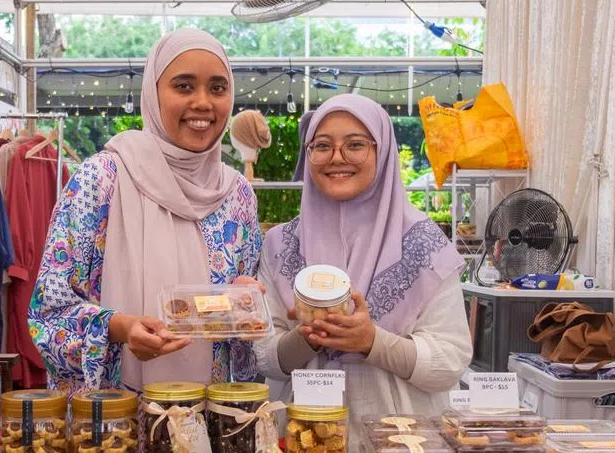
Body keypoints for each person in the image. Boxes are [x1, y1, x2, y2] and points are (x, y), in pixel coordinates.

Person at [30, 29, 262, 393]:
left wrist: (244, 301)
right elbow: (48, 315)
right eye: (184, 86)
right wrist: (120, 328)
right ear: (153, 93)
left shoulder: (237, 196)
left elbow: (244, 339)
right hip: (113, 419)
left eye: (218, 88)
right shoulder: (102, 179)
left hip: (205, 414)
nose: (203, 102)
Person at [254, 93, 471, 425]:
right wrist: (307, 338)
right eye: (322, 146)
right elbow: (264, 358)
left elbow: (450, 361)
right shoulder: (281, 245)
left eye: (355, 145)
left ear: (381, 151)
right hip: (302, 443)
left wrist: (372, 342)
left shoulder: (425, 244)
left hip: (400, 443)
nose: (336, 157)